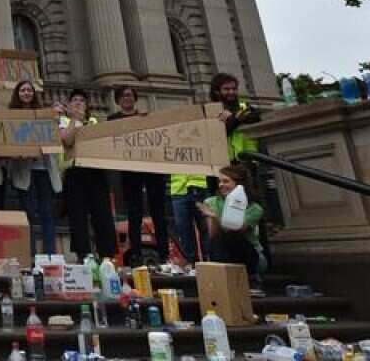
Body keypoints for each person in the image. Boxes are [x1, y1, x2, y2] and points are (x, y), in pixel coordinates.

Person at [170, 73, 261, 267]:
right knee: (219, 216)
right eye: (227, 89)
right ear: (216, 91)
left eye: (234, 88)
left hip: (245, 168)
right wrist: (235, 119)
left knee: (249, 213)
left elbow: (255, 117)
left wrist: (234, 118)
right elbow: (218, 133)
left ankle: (255, 260)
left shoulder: (245, 107)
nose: (231, 92)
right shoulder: (210, 112)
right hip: (221, 169)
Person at [109, 87, 169, 266]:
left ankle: (164, 254)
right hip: (129, 171)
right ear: (118, 100)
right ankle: (136, 255)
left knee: (158, 212)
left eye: (129, 95)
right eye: (123, 95)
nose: (127, 98)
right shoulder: (113, 120)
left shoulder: (146, 116)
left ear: (135, 98)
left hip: (151, 168)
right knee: (134, 214)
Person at [58, 89, 117, 259]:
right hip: (74, 172)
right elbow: (67, 141)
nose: (78, 102)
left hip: (95, 172)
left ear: (87, 105)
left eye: (81, 100)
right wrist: (75, 120)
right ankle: (83, 255)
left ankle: (107, 254)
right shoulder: (64, 122)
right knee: (78, 216)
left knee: (102, 214)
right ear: (69, 105)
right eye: (74, 100)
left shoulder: (94, 121)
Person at [6, 80, 62, 255]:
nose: (26, 93)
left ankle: (50, 255)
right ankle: (29, 255)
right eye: (23, 90)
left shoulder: (44, 115)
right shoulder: (11, 117)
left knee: (47, 213)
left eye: (29, 90)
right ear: (18, 94)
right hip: (24, 171)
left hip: (43, 169)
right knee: (28, 213)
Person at [200, 165, 266, 283]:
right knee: (216, 241)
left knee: (232, 237)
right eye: (219, 181)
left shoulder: (255, 208)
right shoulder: (211, 202)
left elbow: (236, 228)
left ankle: (248, 279)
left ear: (240, 185)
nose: (221, 185)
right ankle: (222, 280)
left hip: (249, 254)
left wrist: (216, 217)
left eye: (226, 181)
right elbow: (213, 234)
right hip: (222, 252)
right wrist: (212, 218)